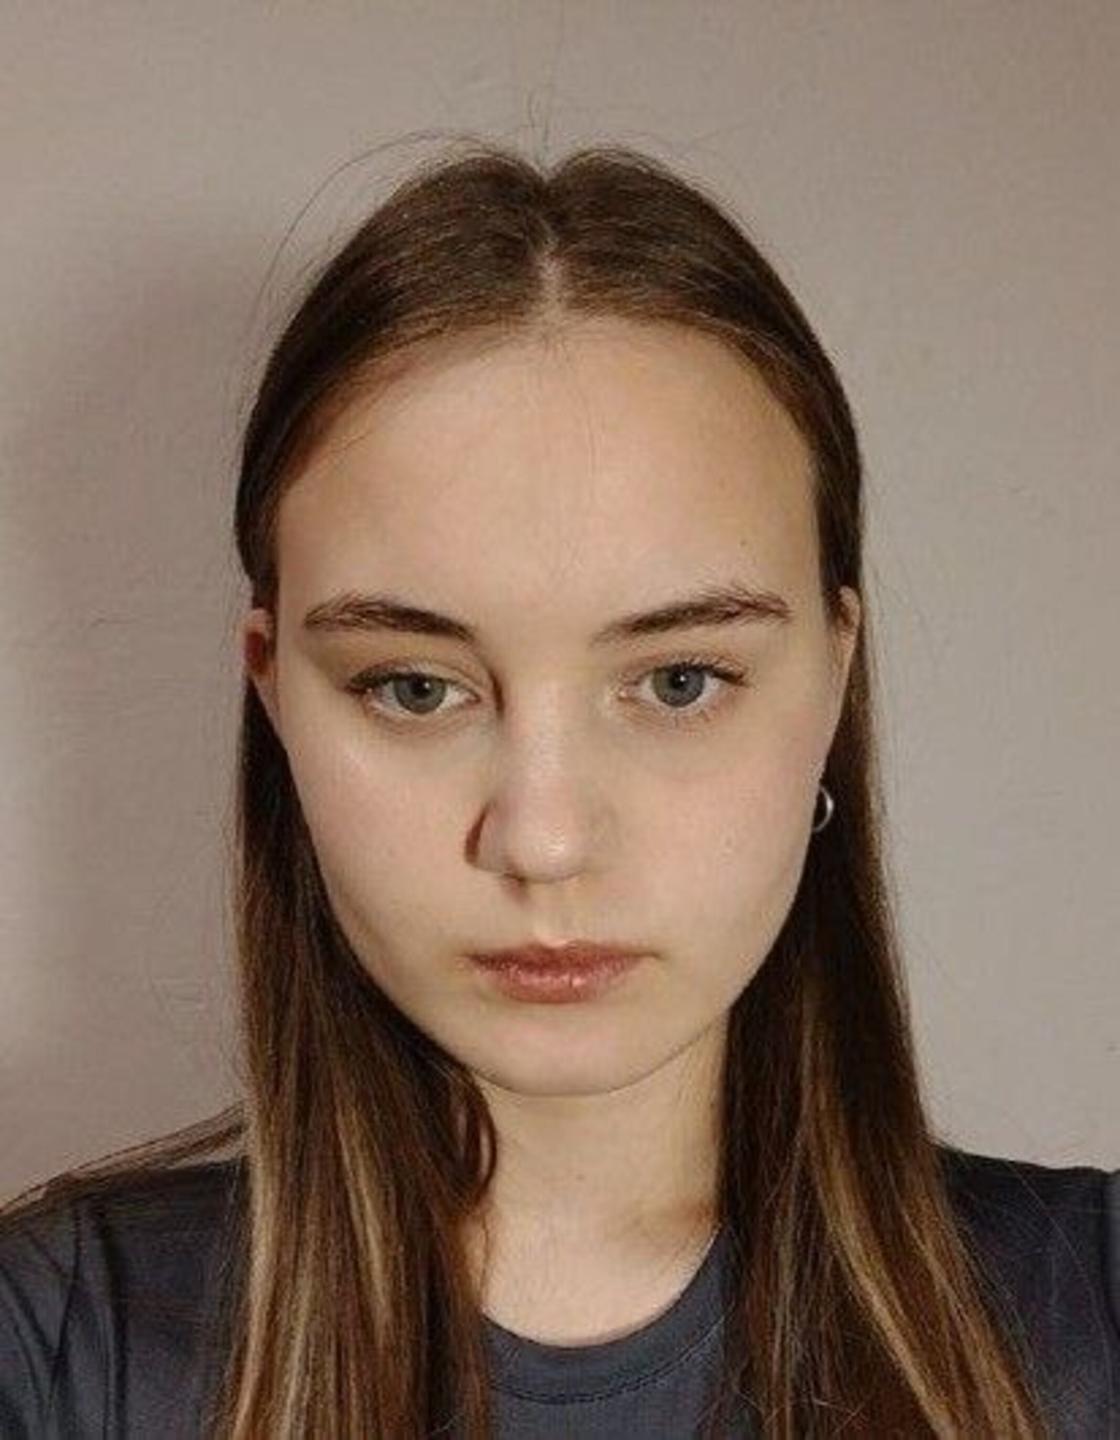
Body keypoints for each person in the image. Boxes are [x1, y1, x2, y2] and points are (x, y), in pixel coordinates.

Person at [1, 139, 1116, 1440]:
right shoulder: (53, 1352)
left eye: (681, 681)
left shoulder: (1093, 1317)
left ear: (833, 676)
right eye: (415, 687)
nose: (542, 840)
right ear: (276, 693)